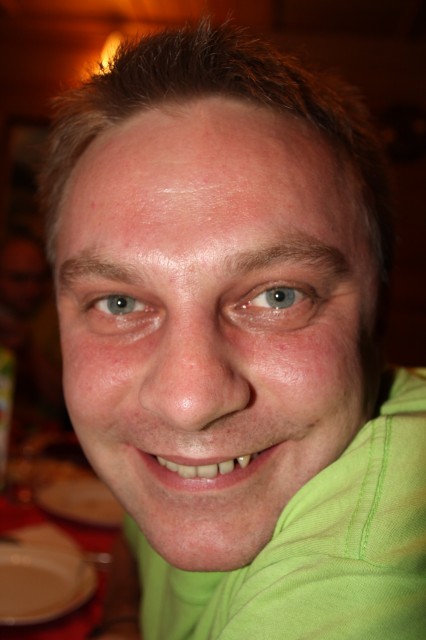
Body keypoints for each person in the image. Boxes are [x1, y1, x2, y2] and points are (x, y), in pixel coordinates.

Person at [38, 21, 425, 639]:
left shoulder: (367, 568)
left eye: (278, 296)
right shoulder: (189, 467)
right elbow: (138, 532)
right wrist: (123, 620)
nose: (188, 404)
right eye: (119, 302)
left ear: (378, 314)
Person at [0, 233, 65, 440]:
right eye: (19, 279)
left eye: (39, 279)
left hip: (42, 440)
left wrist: (28, 347)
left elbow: (61, 401)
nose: (31, 289)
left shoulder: (59, 318)